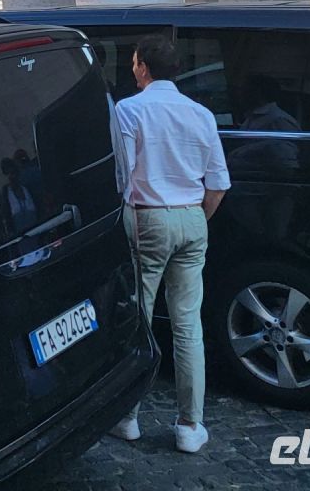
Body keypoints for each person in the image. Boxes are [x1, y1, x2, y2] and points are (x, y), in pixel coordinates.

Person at [108, 35, 230, 455]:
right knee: (188, 325)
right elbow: (217, 183)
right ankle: (190, 424)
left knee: (139, 318)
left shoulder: (128, 109)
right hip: (194, 216)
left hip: (148, 217)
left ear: (142, 66)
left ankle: (128, 416)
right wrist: (194, 218)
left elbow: (122, 178)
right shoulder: (201, 114)